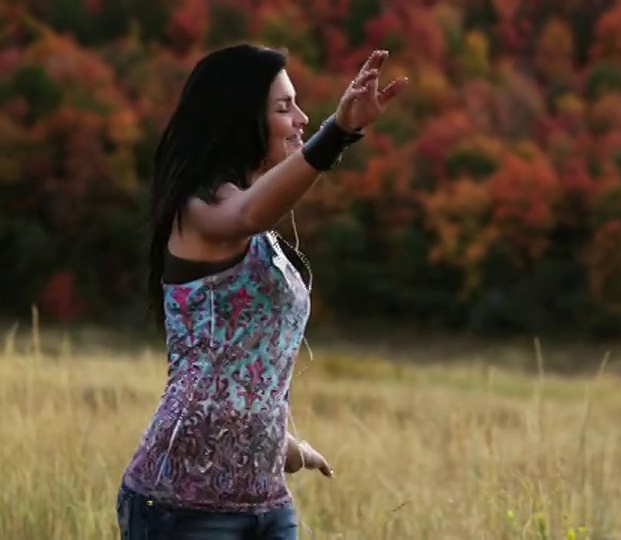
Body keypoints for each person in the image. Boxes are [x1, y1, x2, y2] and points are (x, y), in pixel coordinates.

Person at [116, 43, 408, 539]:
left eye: (297, 104)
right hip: (180, 505)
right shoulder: (200, 209)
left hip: (267, 503)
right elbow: (248, 213)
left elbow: (248, 367)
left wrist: (285, 444)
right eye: (283, 107)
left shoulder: (261, 234)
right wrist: (336, 133)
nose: (300, 117)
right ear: (240, 119)